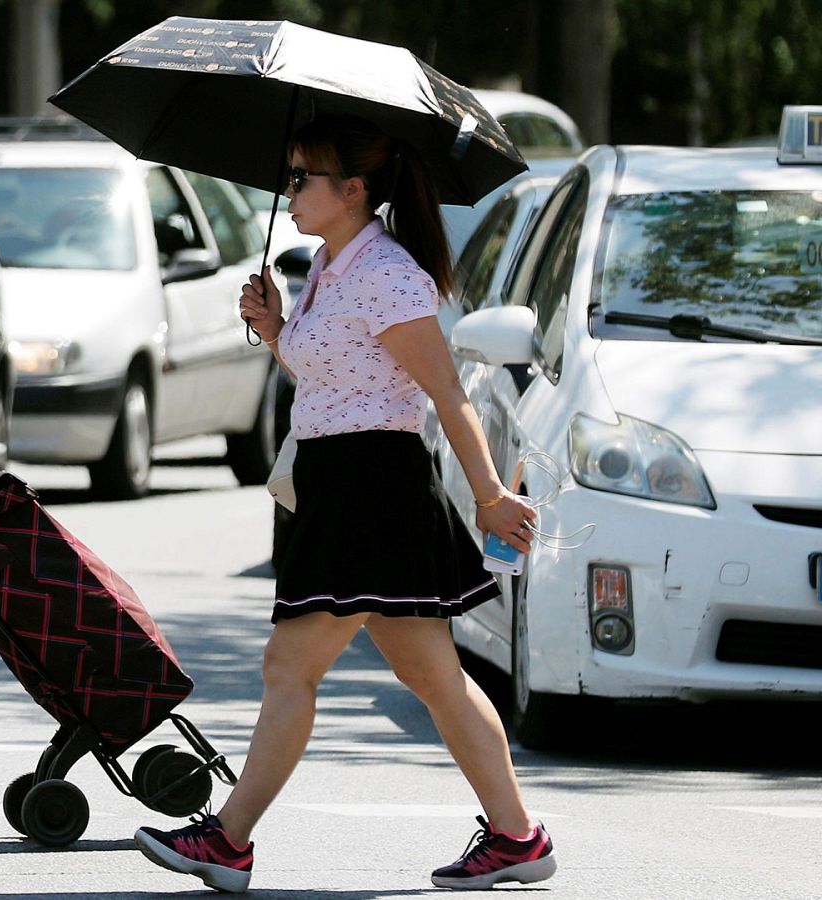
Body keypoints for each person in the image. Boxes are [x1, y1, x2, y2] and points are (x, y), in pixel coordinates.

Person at [131, 115, 556, 893]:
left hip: (372, 489)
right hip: (339, 483)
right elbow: (333, 374)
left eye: (302, 178)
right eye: (289, 176)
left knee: (289, 666)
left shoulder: (390, 276)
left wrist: (491, 495)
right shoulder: (331, 263)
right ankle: (517, 836)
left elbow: (447, 393)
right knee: (434, 675)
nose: (287, 191)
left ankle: (228, 840)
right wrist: (275, 329)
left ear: (353, 190)